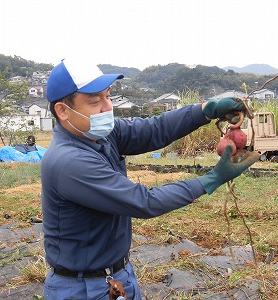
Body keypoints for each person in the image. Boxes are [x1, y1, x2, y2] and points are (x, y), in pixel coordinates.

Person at [41, 59, 260, 300]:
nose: (107, 108)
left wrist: (204, 110)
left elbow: (153, 129)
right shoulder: (69, 162)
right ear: (63, 111)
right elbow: (144, 202)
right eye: (95, 101)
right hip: (82, 289)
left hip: (117, 276)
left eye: (108, 96)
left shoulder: (98, 136)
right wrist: (212, 178)